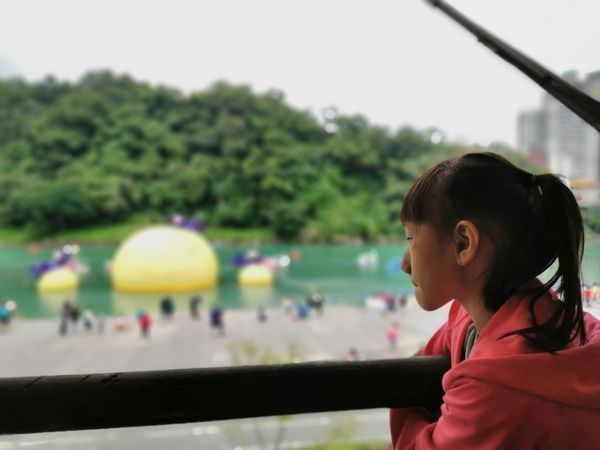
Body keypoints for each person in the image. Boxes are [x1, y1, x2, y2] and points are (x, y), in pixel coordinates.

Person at [390, 153, 600, 449]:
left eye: (411, 239)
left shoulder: (493, 388)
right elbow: (435, 348)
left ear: (463, 243)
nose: (404, 263)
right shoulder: (535, 318)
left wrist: (401, 399)